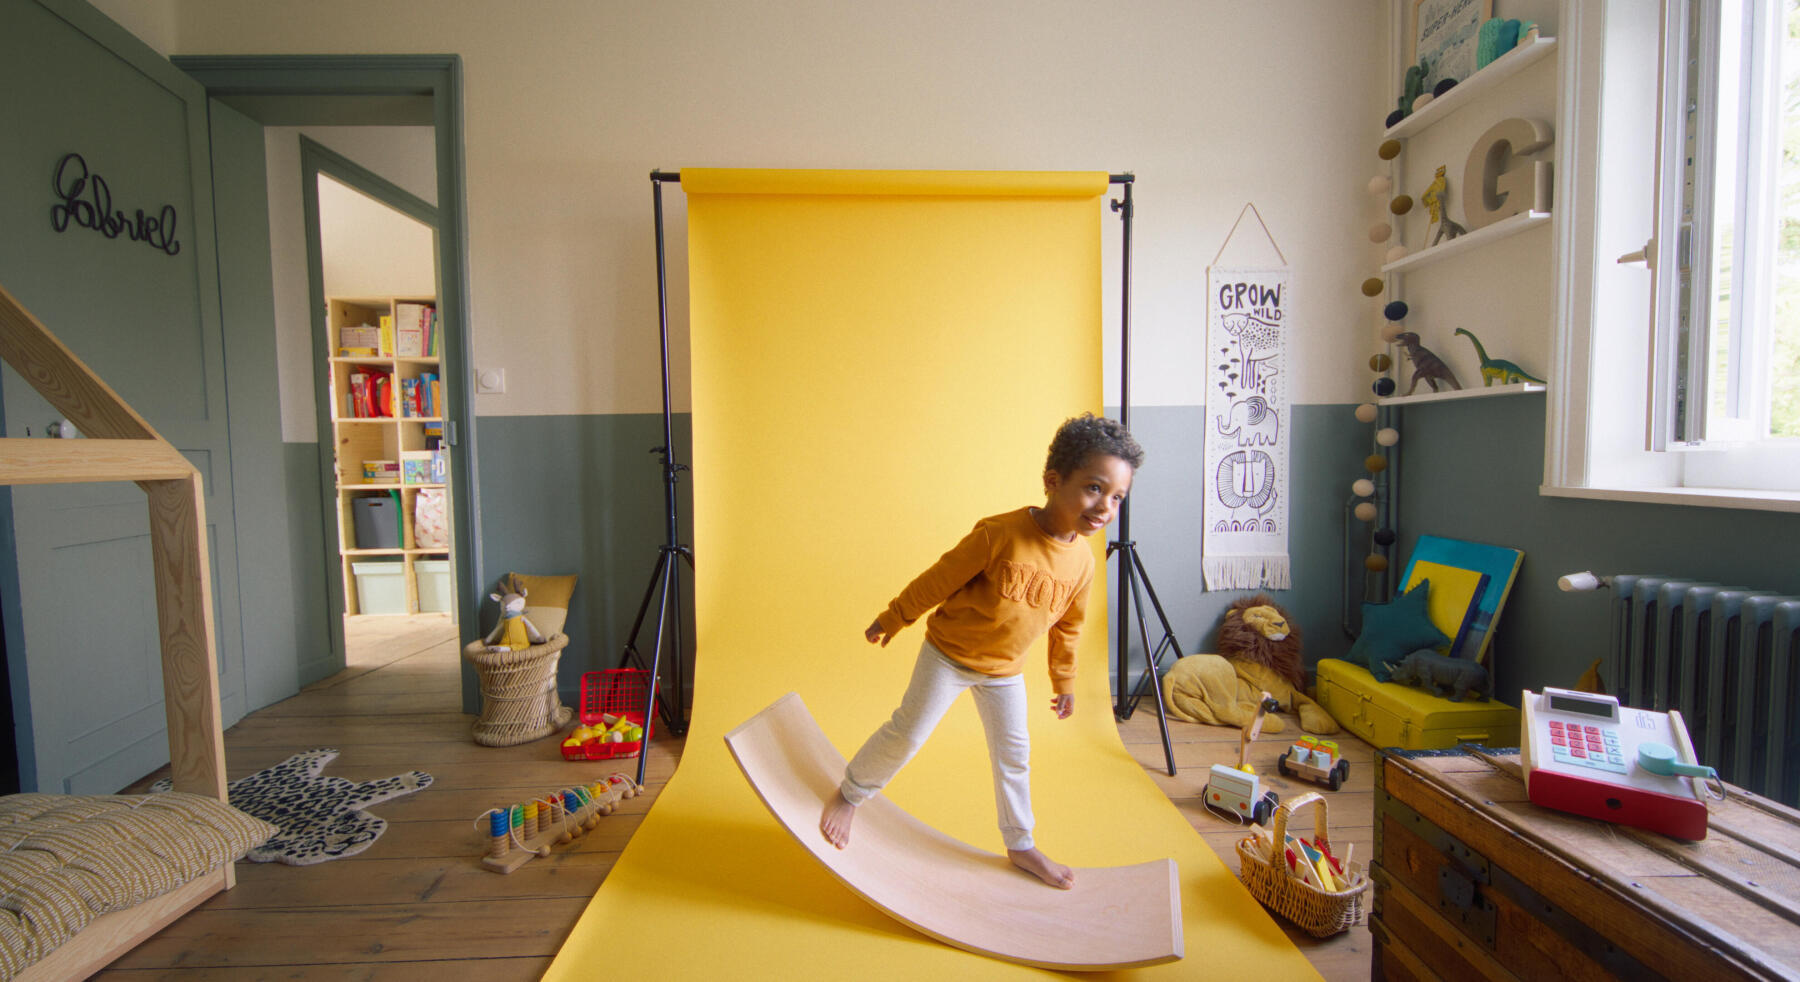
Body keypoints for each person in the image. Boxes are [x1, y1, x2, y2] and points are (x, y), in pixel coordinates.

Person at [818, 413, 1144, 889]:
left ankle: (1020, 843)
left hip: (1004, 673)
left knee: (1015, 755)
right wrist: (895, 616)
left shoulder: (1082, 563)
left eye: (1117, 497)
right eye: (1094, 489)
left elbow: (1069, 629)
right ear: (1054, 481)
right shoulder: (1000, 534)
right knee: (908, 733)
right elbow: (939, 578)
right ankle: (850, 794)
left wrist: (1065, 683)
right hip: (947, 656)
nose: (1105, 507)